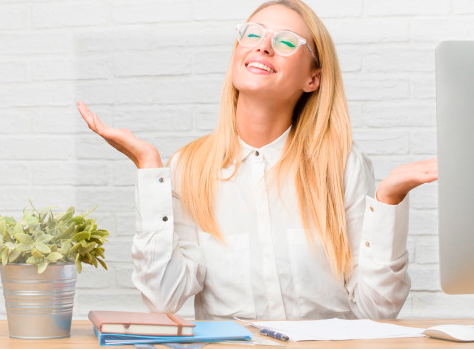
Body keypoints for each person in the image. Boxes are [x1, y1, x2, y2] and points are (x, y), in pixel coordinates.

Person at [77, 0, 438, 320]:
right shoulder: (190, 167)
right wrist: (149, 168)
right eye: (253, 34)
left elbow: (377, 308)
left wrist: (389, 198)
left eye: (285, 42)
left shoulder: (341, 164)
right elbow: (162, 298)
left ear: (313, 79)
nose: (263, 46)